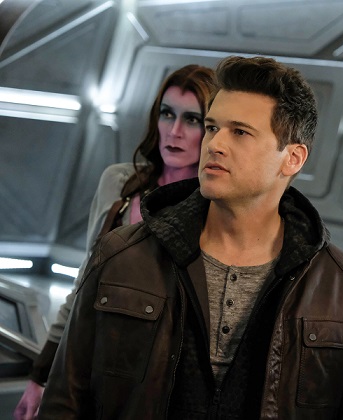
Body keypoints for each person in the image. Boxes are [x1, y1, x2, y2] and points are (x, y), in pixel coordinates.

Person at [38, 55, 343, 419]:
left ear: (293, 158)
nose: (214, 144)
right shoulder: (121, 255)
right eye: (213, 127)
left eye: (240, 132)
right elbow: (65, 402)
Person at [13, 64, 218, 420]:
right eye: (167, 114)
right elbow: (84, 283)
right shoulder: (119, 182)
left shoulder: (213, 205)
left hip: (160, 381)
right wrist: (40, 374)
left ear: (212, 129)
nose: (174, 131)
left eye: (192, 119)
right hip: (92, 356)